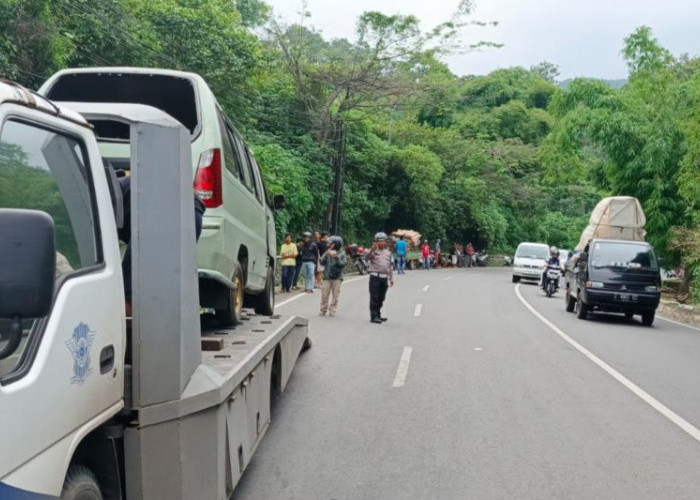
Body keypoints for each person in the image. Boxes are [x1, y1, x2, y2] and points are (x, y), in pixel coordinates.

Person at [118, 174, 205, 316]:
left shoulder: (104, 199)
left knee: (129, 293)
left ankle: (135, 331)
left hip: (163, 213)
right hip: (193, 215)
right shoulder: (120, 188)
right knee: (166, 284)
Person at [366, 232, 394, 324]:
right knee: (374, 297)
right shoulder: (373, 251)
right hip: (375, 277)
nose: (382, 243)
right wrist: (372, 250)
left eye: (383, 241)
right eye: (380, 241)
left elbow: (389, 266)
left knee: (382, 298)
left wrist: (391, 278)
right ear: (376, 242)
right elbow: (367, 258)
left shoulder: (388, 252)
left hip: (384, 277)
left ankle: (378, 314)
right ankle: (373, 316)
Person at [319, 235, 347, 316]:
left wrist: (336, 257)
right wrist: (326, 254)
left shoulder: (342, 253)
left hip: (337, 277)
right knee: (324, 294)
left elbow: (342, 264)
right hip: (327, 276)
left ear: (336, 244)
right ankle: (323, 310)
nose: (329, 245)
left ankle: (332, 310)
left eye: (331, 243)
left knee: (335, 295)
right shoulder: (328, 251)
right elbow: (321, 262)